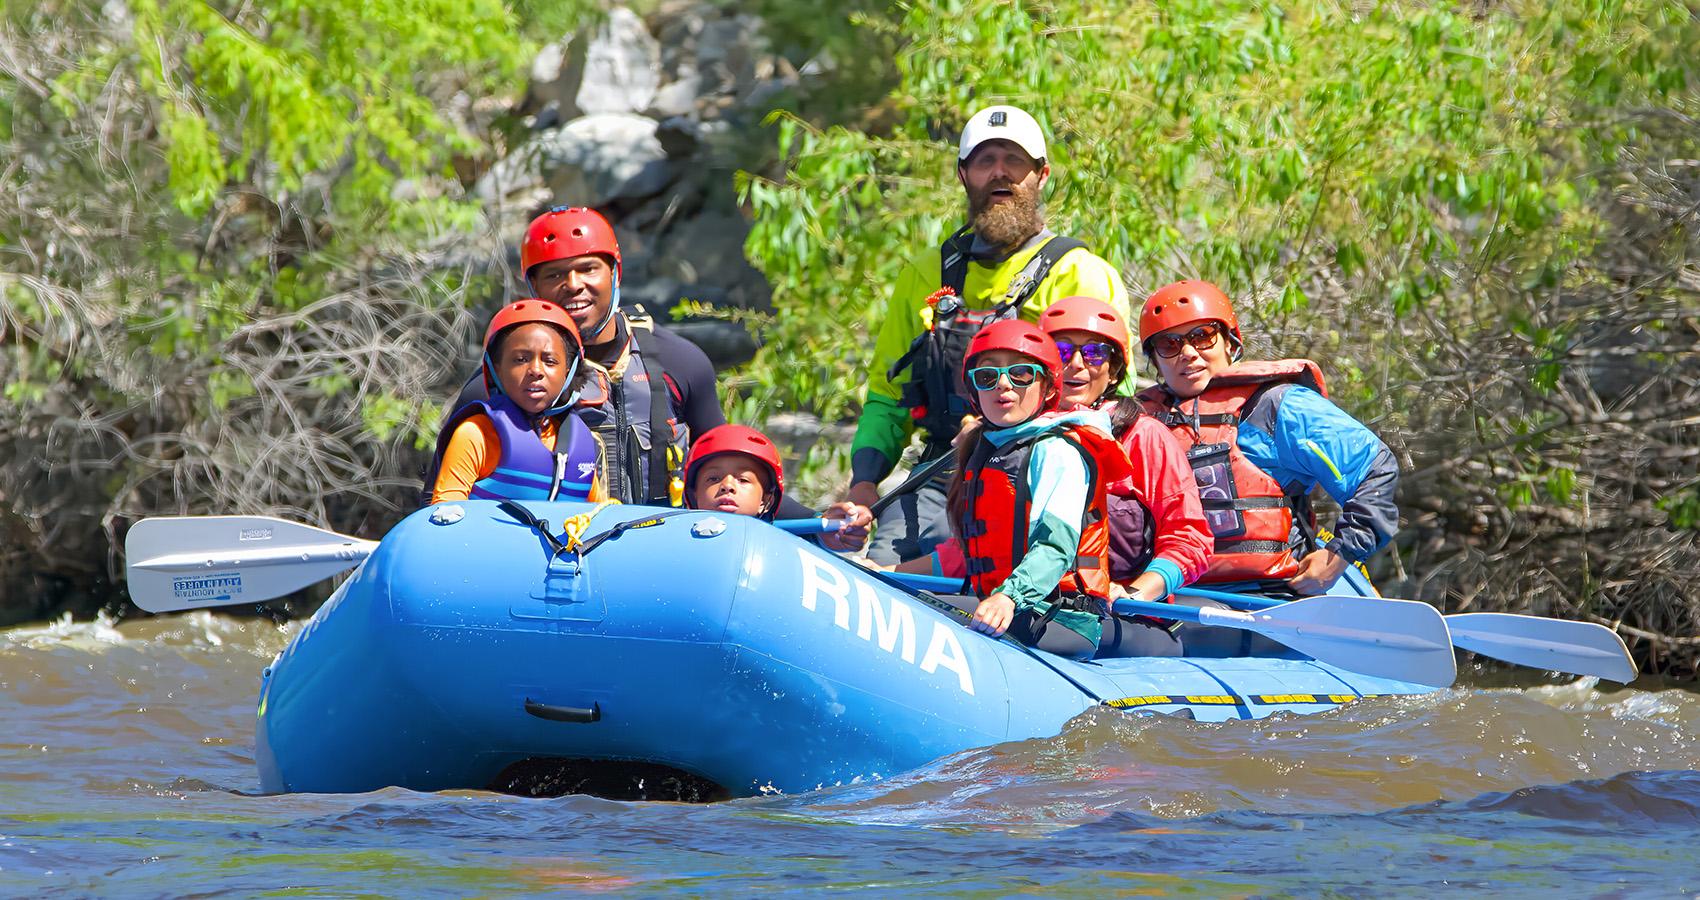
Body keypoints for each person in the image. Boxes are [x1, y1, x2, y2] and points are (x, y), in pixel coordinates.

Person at [845, 105, 1129, 565]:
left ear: (1040, 174)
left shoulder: (1082, 274)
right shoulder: (924, 273)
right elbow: (887, 395)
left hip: (1041, 472)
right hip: (941, 473)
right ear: (964, 175)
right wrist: (863, 483)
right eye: (984, 161)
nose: (1000, 172)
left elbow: (1114, 400)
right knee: (882, 570)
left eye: (1014, 160)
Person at [893, 320, 1171, 661]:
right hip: (1005, 606)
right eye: (987, 377)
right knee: (892, 589)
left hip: (1059, 618)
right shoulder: (987, 449)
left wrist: (1008, 597)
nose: (1003, 385)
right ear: (974, 391)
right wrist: (881, 572)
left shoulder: (1057, 451)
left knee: (909, 608)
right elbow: (966, 554)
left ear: (1048, 386)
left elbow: (1056, 547)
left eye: (1021, 374)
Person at [1133, 281, 1400, 596]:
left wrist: (1337, 556)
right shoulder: (1138, 422)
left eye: (1203, 336)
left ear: (1231, 343)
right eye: (1169, 344)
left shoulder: (1276, 405)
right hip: (1170, 596)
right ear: (1155, 361)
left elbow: (1374, 468)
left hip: (1275, 593)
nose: (1188, 353)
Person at [451, 206, 723, 508]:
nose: (573, 284)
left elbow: (731, 473)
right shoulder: (497, 384)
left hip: (663, 545)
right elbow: (439, 503)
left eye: (588, 268)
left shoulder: (681, 363)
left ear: (614, 273)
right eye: (554, 274)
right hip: (557, 549)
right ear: (533, 288)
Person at [1038, 295, 1214, 625]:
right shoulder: (1018, 438)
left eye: (1093, 353)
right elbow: (971, 548)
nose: (1076, 363)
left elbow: (1190, 540)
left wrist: (1136, 593)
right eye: (1062, 352)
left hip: (1123, 616)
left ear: (1114, 368)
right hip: (1029, 601)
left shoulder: (1145, 437)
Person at [425, 300, 607, 504]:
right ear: (496, 370)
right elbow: (444, 515)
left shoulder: (581, 441)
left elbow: (598, 517)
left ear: (569, 371)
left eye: (550, 361)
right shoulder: (477, 434)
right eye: (520, 359)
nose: (536, 371)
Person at [683, 425, 872, 534]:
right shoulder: (675, 538)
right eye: (713, 478)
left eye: (743, 480)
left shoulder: (785, 541)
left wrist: (839, 533)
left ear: (766, 501)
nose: (727, 486)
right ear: (693, 495)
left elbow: (833, 541)